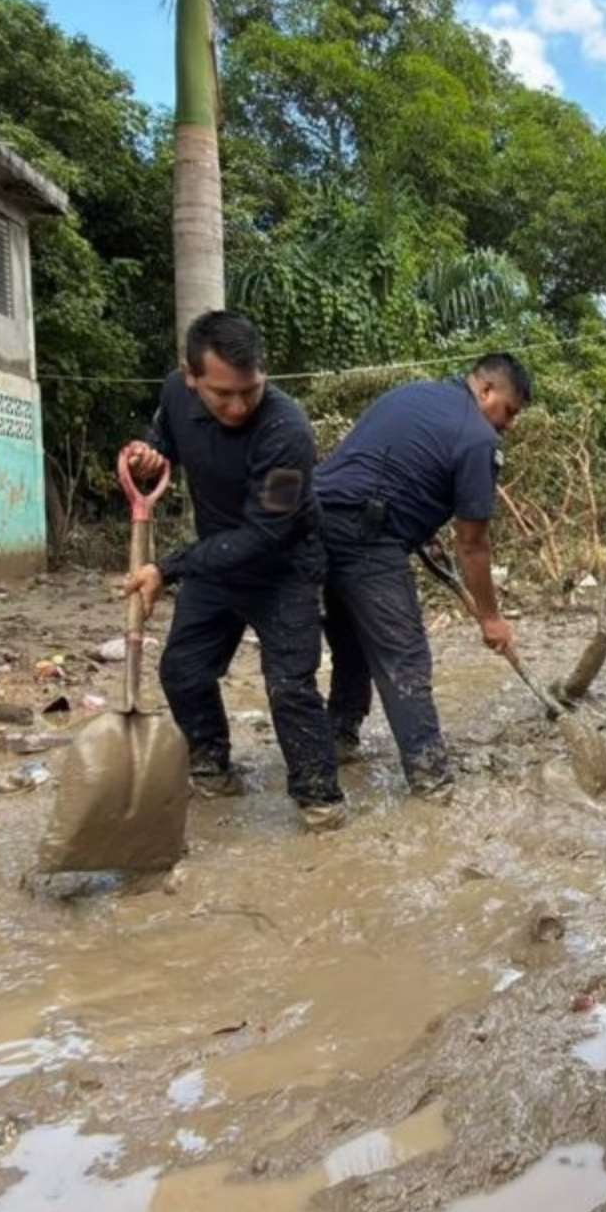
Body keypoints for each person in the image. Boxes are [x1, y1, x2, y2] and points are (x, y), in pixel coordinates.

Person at [120, 310, 345, 828]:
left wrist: (168, 568)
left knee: (290, 686)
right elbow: (164, 440)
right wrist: (148, 456)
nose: (239, 406)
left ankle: (320, 803)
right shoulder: (176, 395)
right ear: (190, 376)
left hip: (285, 565)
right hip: (216, 563)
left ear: (264, 372)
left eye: (250, 391)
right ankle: (210, 764)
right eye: (222, 394)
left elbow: (266, 535)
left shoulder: (288, 433)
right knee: (182, 669)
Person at [313, 354, 531, 797]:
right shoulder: (478, 438)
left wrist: (417, 529)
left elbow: (387, 468)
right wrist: (491, 618)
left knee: (351, 642)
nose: (507, 425)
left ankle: (339, 739)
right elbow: (472, 544)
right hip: (366, 538)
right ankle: (432, 780)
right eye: (508, 411)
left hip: (312, 522)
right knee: (404, 659)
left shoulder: (412, 394)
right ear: (486, 390)